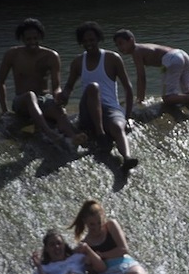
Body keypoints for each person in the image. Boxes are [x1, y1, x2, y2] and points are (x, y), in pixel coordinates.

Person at [58, 22, 138, 174]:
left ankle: (127, 158)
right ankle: (100, 134)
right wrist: (64, 95)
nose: (89, 44)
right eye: (85, 41)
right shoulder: (78, 62)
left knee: (117, 127)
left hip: (111, 108)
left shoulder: (112, 58)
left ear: (98, 39)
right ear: (81, 43)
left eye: (92, 40)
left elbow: (128, 88)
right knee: (93, 87)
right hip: (88, 111)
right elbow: (69, 86)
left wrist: (127, 116)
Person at [0, 18, 83, 147]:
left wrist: (59, 97)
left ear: (40, 37)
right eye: (28, 39)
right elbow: (0, 82)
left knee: (59, 110)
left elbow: (56, 86)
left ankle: (73, 137)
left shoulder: (51, 56)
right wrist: (4, 111)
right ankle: (48, 132)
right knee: (30, 95)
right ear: (22, 39)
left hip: (43, 99)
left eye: (35, 38)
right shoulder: (12, 54)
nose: (32, 42)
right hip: (22, 101)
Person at [112, 29, 189, 110]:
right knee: (188, 92)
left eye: (121, 44)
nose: (120, 48)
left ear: (131, 40)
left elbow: (141, 77)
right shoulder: (141, 48)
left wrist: (140, 100)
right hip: (181, 54)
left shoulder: (136, 51)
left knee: (167, 98)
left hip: (171, 59)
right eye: (117, 46)